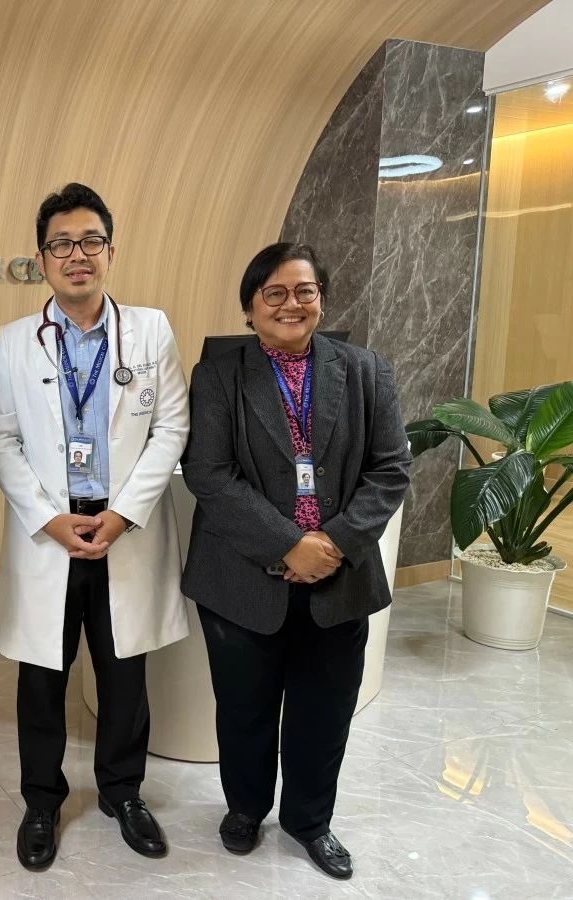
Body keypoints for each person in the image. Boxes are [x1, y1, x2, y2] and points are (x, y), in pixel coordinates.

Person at [180, 242, 411, 879]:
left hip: (340, 577)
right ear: (250, 307)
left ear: (321, 301)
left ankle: (310, 822)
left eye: (305, 291)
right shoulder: (218, 375)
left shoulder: (366, 371)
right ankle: (245, 809)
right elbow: (209, 473)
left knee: (325, 711)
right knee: (244, 708)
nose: (291, 304)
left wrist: (331, 543)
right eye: (274, 293)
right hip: (241, 575)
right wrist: (288, 543)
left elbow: (391, 469)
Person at [0, 183, 190, 871]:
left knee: (124, 672)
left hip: (122, 525)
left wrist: (124, 514)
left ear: (110, 250)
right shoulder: (15, 342)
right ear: (42, 259)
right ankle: (42, 800)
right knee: (43, 674)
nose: (78, 255)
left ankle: (123, 792)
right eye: (62, 244)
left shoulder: (150, 330)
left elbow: (172, 427)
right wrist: (48, 518)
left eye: (90, 241)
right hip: (52, 531)